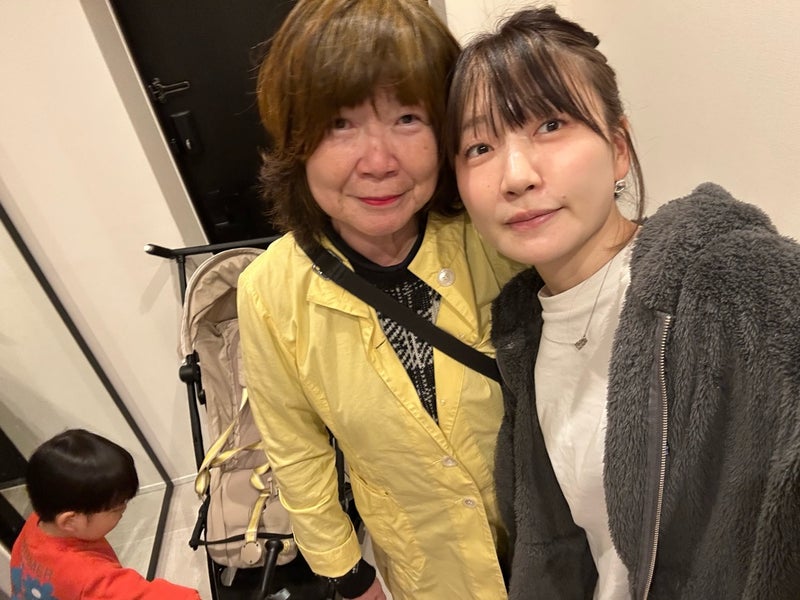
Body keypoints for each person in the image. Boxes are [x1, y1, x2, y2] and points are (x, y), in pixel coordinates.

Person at [446, 6, 800, 600]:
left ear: (617, 149)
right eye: (479, 146)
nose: (516, 175)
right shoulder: (522, 333)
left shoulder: (737, 287)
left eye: (550, 124)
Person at [237, 1, 520, 598]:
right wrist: (346, 572)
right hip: (430, 567)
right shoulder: (269, 291)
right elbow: (296, 448)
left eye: (409, 118)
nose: (379, 162)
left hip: (554, 538)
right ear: (295, 140)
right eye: (340, 124)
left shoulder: (494, 233)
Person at [9, 428, 201, 599]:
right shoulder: (90, 577)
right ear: (70, 520)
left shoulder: (39, 522)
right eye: (116, 508)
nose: (124, 509)